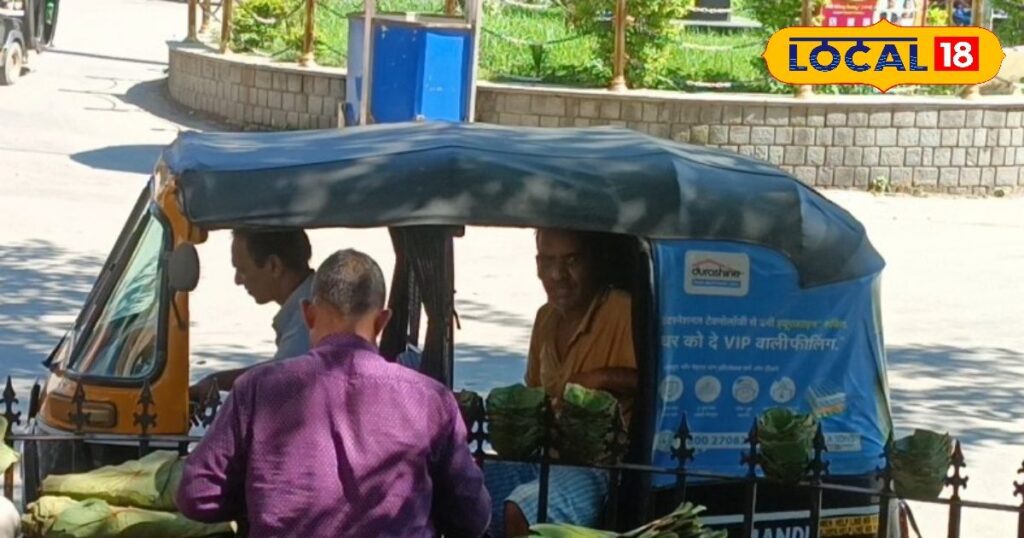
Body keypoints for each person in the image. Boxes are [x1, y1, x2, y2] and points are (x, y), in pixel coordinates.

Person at [176, 249, 492, 537]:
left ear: (308, 314)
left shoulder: (256, 390)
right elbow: (472, 516)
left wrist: (255, 497)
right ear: (381, 322)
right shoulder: (429, 400)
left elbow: (197, 493)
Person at [486, 228, 638, 538]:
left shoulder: (622, 310)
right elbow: (533, 392)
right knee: (466, 481)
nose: (558, 274)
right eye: (548, 262)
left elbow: (656, 380)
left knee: (524, 508)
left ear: (593, 262)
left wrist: (599, 378)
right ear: (537, 265)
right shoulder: (545, 317)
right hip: (547, 456)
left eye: (572, 260)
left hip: (600, 468)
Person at [188, 229, 314, 402]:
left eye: (242, 270)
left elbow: (280, 384)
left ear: (274, 266)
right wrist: (218, 382)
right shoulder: (312, 301)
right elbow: (278, 367)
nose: (237, 280)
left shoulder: (304, 325)